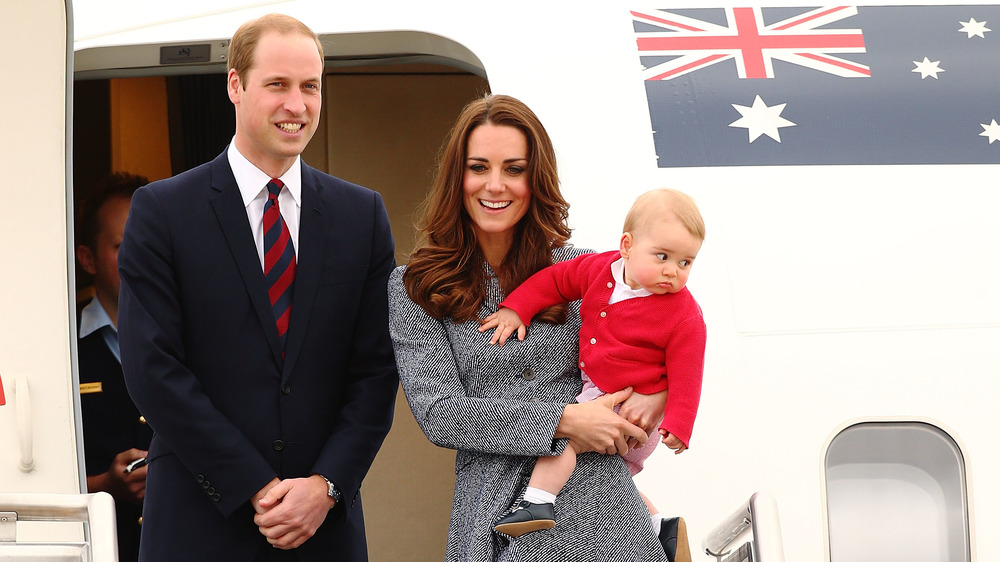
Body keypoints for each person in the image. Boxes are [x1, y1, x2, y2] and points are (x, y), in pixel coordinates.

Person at [117, 13, 398, 561]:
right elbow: (153, 370)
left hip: (323, 529)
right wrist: (257, 486)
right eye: (277, 85)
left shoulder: (360, 215)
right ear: (235, 86)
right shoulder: (162, 211)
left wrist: (326, 487)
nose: (297, 105)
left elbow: (376, 372)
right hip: (198, 528)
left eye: (310, 86)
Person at [388, 94, 668, 561]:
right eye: (479, 167)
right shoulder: (416, 285)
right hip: (492, 516)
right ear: (457, 176)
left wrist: (654, 395)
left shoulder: (584, 270)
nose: (495, 185)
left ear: (535, 179)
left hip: (604, 514)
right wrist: (563, 419)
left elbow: (646, 349)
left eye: (514, 169)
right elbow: (440, 412)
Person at [482, 189, 705, 562]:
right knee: (613, 476)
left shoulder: (683, 314)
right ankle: (658, 527)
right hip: (601, 390)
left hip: (628, 406)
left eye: (685, 263)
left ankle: (537, 502)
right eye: (663, 256)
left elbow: (689, 371)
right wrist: (517, 309)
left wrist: (680, 424)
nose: (672, 271)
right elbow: (553, 282)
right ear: (627, 245)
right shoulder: (597, 269)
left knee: (566, 439)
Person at [76, 172, 151, 562]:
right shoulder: (64, 347)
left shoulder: (194, 338)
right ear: (87, 258)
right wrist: (104, 484)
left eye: (150, 244)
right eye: (123, 246)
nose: (140, 258)